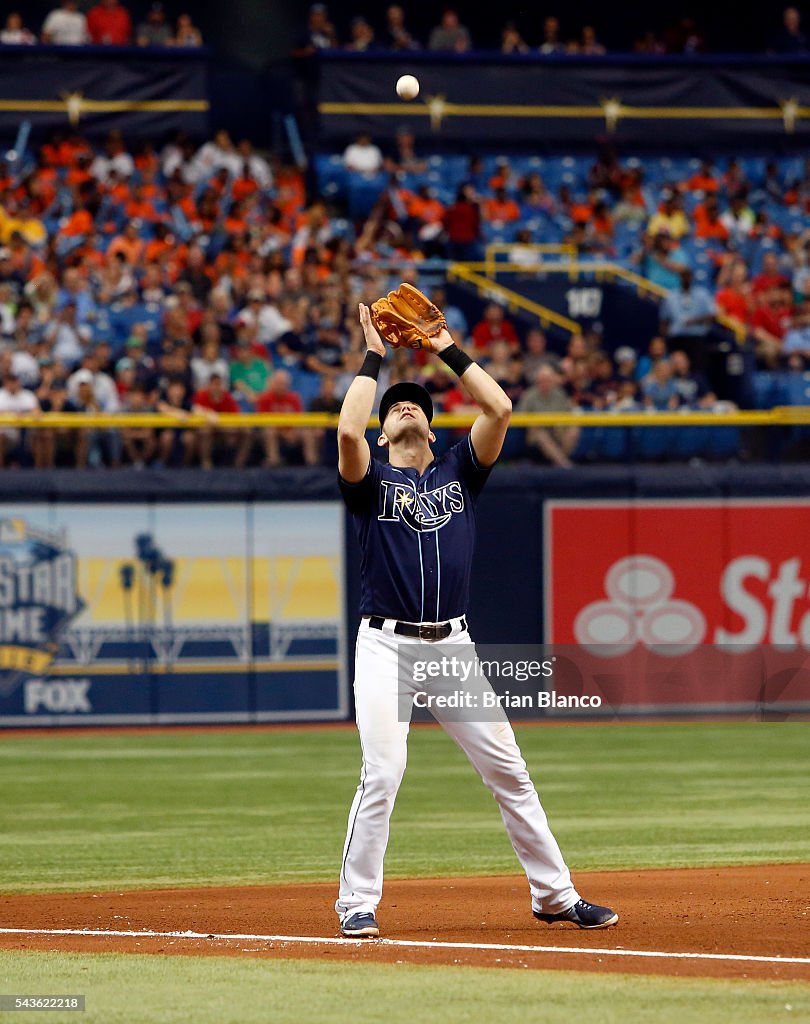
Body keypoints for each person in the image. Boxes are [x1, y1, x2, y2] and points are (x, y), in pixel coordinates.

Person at [335, 295, 617, 939]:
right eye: (396, 406)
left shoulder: (461, 471)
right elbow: (347, 431)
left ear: (434, 431)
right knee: (383, 772)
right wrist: (374, 357)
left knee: (509, 770)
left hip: (453, 648)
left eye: (419, 406)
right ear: (385, 431)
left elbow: (500, 407)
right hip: (385, 648)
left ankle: (556, 895)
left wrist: (442, 347)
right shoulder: (371, 480)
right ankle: (357, 903)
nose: (407, 406)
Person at [517, 363, 579, 467]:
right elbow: (520, 416)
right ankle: (565, 465)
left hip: (557, 430)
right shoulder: (529, 395)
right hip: (536, 434)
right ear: (537, 381)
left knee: (574, 429)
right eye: (542, 380)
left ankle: (558, 461)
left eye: (548, 380)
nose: (545, 383)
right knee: (540, 433)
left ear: (553, 381)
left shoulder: (559, 394)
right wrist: (533, 422)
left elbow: (569, 413)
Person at [659, 267, 717, 373]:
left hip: (696, 338)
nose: (686, 279)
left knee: (697, 369)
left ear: (692, 277)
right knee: (675, 369)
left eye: (688, 276)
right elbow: (664, 320)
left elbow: (712, 315)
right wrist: (665, 339)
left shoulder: (702, 294)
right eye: (683, 276)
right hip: (676, 339)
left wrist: (694, 321)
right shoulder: (671, 296)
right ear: (679, 278)